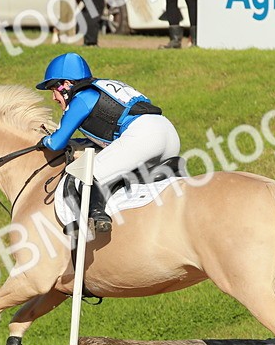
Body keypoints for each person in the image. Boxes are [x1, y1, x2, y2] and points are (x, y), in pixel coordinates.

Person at [35, 53, 181, 233]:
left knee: (85, 176)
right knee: (113, 170)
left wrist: (41, 140)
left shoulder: (82, 98)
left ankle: (96, 216)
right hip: (168, 132)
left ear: (65, 85)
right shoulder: (101, 89)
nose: (54, 98)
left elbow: (56, 142)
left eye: (53, 90)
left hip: (143, 136)